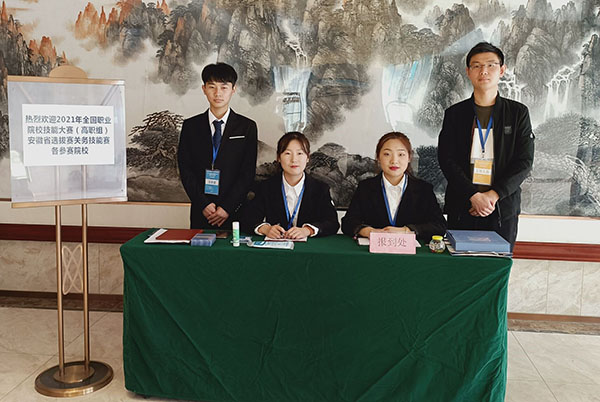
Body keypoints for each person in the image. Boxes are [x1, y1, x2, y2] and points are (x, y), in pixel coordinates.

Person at [437, 42, 535, 249]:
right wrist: (473, 196)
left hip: (501, 209)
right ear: (468, 72)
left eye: (491, 65)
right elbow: (447, 159)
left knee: (496, 265)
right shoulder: (455, 114)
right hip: (463, 206)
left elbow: (524, 162)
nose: (483, 71)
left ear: (502, 70)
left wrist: (493, 195)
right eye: (477, 66)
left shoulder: (517, 113)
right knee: (461, 265)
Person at [177, 62, 258, 229]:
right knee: (201, 246)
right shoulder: (191, 126)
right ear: (204, 89)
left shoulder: (247, 127)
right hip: (202, 211)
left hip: (235, 210)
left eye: (224, 87)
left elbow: (247, 172)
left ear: (233, 89)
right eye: (212, 87)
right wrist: (203, 204)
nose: (218, 93)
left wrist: (227, 207)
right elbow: (185, 169)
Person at [341, 132, 446, 242]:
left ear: (409, 157)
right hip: (373, 249)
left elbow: (440, 226)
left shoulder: (424, 189)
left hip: (412, 251)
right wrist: (367, 231)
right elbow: (348, 223)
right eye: (387, 154)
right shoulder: (366, 188)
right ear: (378, 157)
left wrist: (407, 230)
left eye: (401, 154)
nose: (394, 161)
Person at [242, 132, 339, 239]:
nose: (294, 160)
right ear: (279, 157)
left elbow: (332, 223)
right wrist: (266, 229)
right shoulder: (266, 187)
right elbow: (247, 218)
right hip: (276, 246)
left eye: (299, 153)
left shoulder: (320, 189)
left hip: (309, 247)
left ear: (307, 157)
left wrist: (307, 230)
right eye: (288, 153)